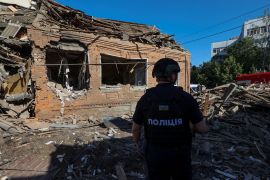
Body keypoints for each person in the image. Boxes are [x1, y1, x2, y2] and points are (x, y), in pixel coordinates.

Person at [132, 58, 208, 180]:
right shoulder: (186, 98)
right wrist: (191, 126)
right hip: (180, 155)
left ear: (156, 76)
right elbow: (203, 129)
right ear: (172, 76)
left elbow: (136, 129)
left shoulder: (145, 99)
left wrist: (136, 143)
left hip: (154, 155)